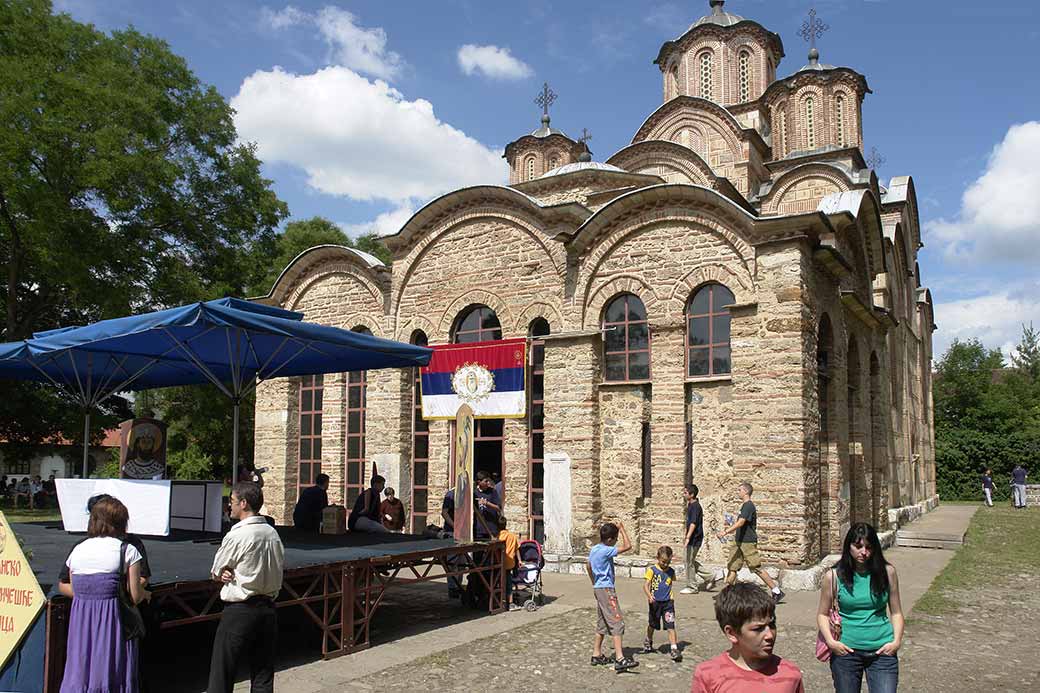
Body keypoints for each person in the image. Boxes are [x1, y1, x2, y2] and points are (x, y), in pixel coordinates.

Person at [58, 496, 151, 692]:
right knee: (111, 667)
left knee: (80, 666)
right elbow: (134, 596)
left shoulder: (77, 550)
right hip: (114, 622)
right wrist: (145, 594)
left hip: (81, 623)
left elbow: (75, 590)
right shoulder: (127, 550)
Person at [207, 482, 284, 693]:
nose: (229, 506)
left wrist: (222, 572)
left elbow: (216, 569)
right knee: (263, 674)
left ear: (243, 503)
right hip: (268, 608)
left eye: (232, 501)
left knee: (222, 672)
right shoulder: (272, 534)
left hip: (241, 609)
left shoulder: (238, 535)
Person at [817, 523, 903, 693]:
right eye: (858, 546)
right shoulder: (833, 576)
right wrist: (831, 642)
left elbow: (897, 612)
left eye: (868, 547)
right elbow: (822, 614)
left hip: (882, 650)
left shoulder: (888, 572)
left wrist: (896, 642)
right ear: (848, 546)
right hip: (846, 652)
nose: (863, 552)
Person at [691, 582, 804, 693]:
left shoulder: (791, 675)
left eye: (772, 625)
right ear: (731, 633)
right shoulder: (708, 675)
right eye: (758, 629)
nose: (770, 635)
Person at [716, 482, 785, 604]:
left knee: (756, 567)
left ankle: (776, 591)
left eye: (739, 490)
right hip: (738, 541)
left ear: (746, 492)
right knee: (732, 565)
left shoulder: (748, 506)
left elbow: (741, 522)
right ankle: (727, 594)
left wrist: (725, 532)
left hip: (747, 542)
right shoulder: (744, 506)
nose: (738, 492)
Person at [587, 521, 638, 673]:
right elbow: (628, 546)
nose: (616, 541)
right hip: (607, 589)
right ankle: (620, 658)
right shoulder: (606, 550)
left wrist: (594, 582)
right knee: (617, 622)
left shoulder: (594, 549)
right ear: (610, 539)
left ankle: (596, 654)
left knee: (602, 622)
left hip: (598, 587)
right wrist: (622, 529)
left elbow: (588, 566)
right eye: (615, 539)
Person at [642, 545, 682, 662]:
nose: (665, 564)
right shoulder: (652, 570)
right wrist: (649, 596)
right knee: (653, 624)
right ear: (658, 558)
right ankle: (648, 640)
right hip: (655, 602)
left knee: (670, 625)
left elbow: (669, 583)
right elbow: (645, 585)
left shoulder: (671, 572)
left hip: (668, 603)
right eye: (663, 561)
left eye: (668, 562)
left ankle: (674, 648)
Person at [681, 484, 717, 594]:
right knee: (689, 560)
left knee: (689, 562)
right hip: (692, 537)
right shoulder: (691, 505)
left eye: (685, 492)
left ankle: (692, 587)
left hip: (694, 538)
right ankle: (710, 576)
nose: (684, 494)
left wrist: (688, 537)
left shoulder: (696, 506)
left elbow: (693, 523)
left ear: (691, 495)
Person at [496, 515, 521, 611]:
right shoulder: (512, 536)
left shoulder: (497, 537)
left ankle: (500, 600)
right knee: (509, 583)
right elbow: (517, 549)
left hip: (498, 563)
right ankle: (510, 603)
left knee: (499, 582)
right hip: (509, 563)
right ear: (506, 524)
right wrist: (520, 560)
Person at [473, 470, 501, 538]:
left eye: (488, 481)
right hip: (479, 530)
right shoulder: (474, 493)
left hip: (492, 528)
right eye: (486, 481)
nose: (488, 483)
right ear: (479, 482)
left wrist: (487, 503)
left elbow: (498, 508)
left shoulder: (492, 492)